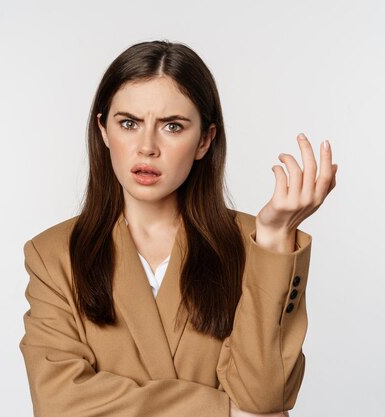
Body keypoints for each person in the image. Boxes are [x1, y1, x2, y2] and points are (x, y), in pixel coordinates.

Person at [19, 39, 338, 417]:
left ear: (204, 140)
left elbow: (265, 397)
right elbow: (59, 403)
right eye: (129, 123)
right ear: (103, 130)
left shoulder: (253, 245)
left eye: (172, 126)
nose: (147, 147)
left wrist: (274, 239)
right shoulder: (53, 253)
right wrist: (224, 411)